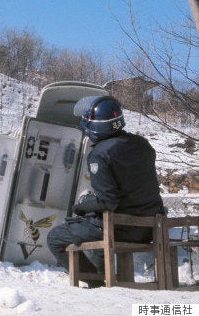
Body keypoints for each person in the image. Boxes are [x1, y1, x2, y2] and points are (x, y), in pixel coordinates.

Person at [46, 95, 165, 288]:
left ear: (95, 125)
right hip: (148, 229)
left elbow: (109, 201)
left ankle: (96, 283)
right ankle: (100, 279)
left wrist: (81, 207)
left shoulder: (100, 154)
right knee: (96, 226)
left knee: (55, 237)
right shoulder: (143, 145)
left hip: (120, 229)